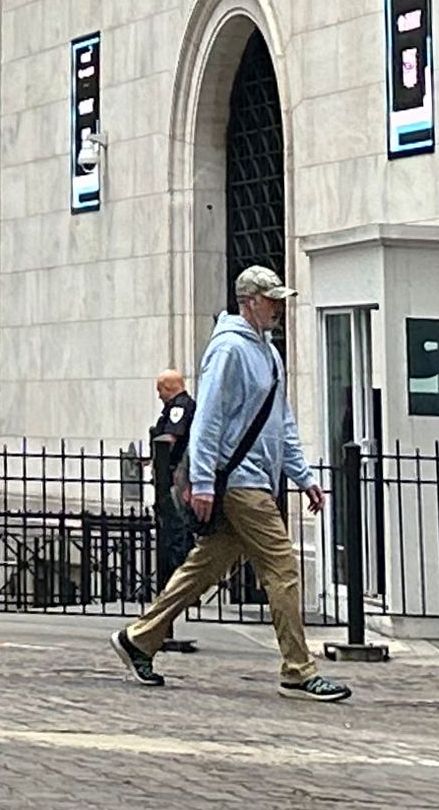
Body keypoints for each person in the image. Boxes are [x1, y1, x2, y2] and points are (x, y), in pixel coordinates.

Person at [114, 268, 349, 699]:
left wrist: (302, 475)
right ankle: (298, 669)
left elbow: (282, 422)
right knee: (282, 569)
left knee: (205, 566)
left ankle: (140, 637)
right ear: (249, 301)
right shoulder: (229, 350)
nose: (279, 307)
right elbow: (209, 418)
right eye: (272, 299)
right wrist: (202, 481)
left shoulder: (268, 354)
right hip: (240, 483)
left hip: (252, 478)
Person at [145, 367, 198, 616]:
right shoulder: (180, 406)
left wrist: (163, 461)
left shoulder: (180, 407)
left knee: (177, 532)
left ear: (169, 388)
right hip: (172, 474)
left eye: (160, 390)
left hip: (176, 476)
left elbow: (172, 437)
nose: (158, 396)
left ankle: (178, 589)